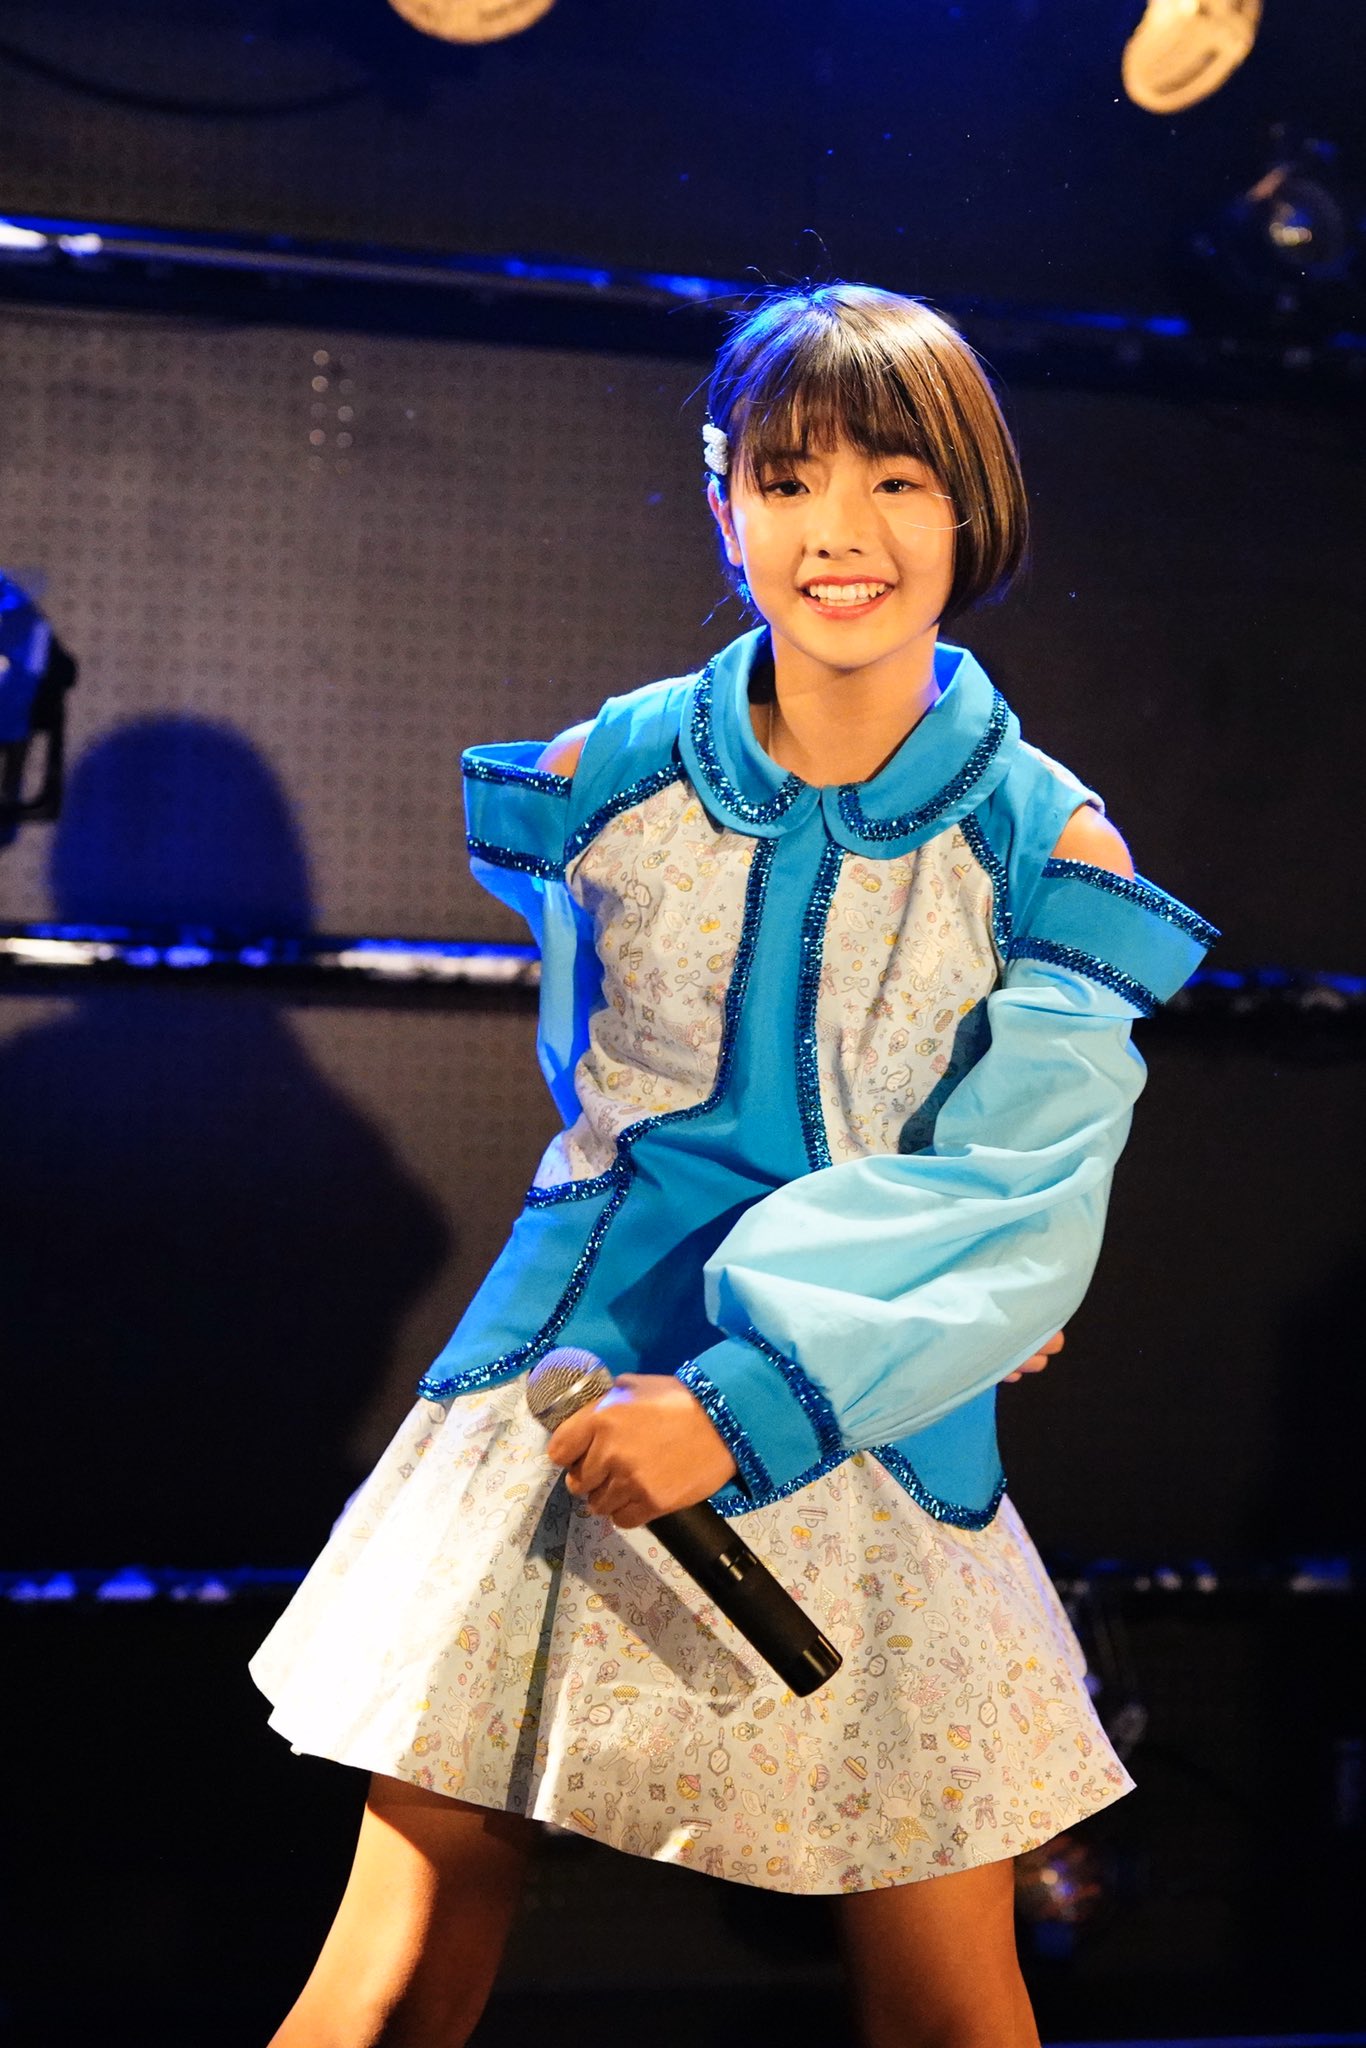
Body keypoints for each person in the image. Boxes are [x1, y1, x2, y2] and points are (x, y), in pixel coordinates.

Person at [250, 282, 1216, 2048]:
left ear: (972, 507)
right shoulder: (605, 771)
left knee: (947, 1999)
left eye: (895, 481)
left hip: (867, 1430)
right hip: (564, 1394)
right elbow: (594, 1073)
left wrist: (900, 1330)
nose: (837, 531)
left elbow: (1024, 1189)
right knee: (391, 1968)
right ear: (724, 507)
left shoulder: (1049, 844)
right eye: (786, 480)